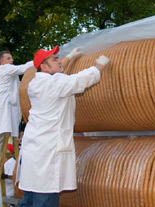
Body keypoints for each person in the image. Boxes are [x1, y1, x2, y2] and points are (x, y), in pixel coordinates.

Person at [18, 46, 110, 207]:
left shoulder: (35, 82)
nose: (59, 61)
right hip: (48, 150)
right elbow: (80, 79)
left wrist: (70, 57)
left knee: (29, 198)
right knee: (44, 200)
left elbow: (55, 75)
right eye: (55, 59)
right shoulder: (55, 83)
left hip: (33, 148)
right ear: (45, 67)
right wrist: (100, 65)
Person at [0, 52, 34, 179]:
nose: (12, 59)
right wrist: (38, 60)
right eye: (8, 58)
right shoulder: (6, 69)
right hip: (2, 105)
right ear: (1, 61)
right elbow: (23, 68)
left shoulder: (1, 71)